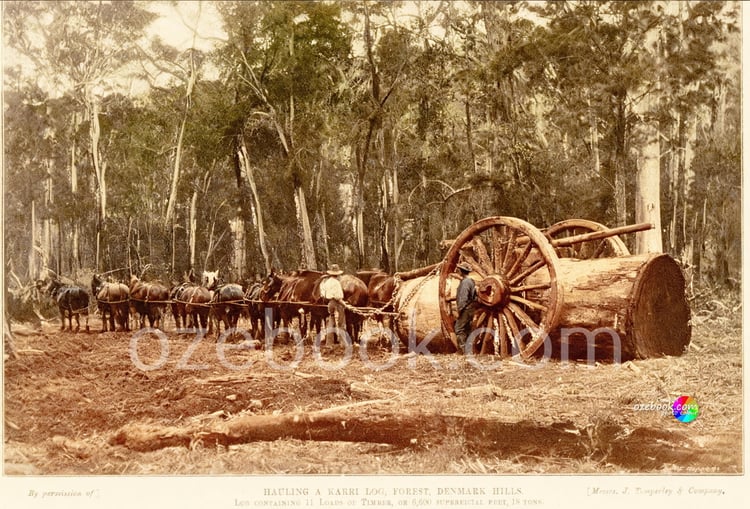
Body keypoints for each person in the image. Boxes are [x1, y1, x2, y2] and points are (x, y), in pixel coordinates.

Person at [319, 264, 347, 346]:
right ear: (337, 274)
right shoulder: (337, 283)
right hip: (337, 303)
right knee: (341, 322)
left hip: (330, 303)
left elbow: (323, 294)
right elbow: (338, 296)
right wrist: (344, 304)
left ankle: (329, 342)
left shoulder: (326, 282)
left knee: (330, 320)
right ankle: (342, 342)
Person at [455, 261, 477, 353]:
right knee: (467, 329)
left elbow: (463, 298)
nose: (458, 271)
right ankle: (469, 350)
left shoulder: (465, 282)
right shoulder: (471, 281)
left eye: (459, 269)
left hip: (466, 309)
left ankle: (464, 350)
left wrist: (459, 310)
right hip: (471, 308)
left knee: (459, 328)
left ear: (461, 271)